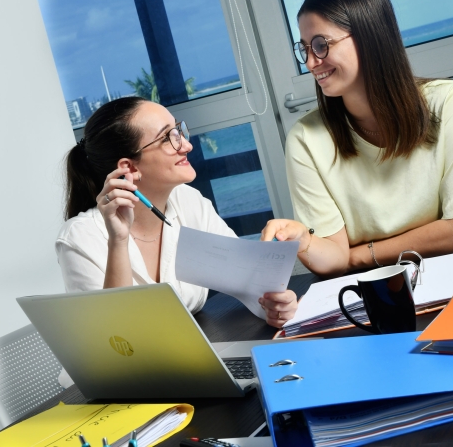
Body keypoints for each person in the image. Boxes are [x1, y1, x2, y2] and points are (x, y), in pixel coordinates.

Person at [262, 0, 453, 277]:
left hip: (449, 277)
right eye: (303, 48)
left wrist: (358, 255)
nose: (310, 62)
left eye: (321, 45)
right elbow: (332, 258)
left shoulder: (452, 103)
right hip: (367, 294)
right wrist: (305, 241)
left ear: (370, 38)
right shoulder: (305, 139)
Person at [57, 97, 296, 327]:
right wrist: (118, 240)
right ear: (129, 167)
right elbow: (115, 338)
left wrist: (276, 307)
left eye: (179, 131)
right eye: (167, 138)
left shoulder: (188, 201)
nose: (187, 145)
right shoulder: (79, 238)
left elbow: (248, 281)